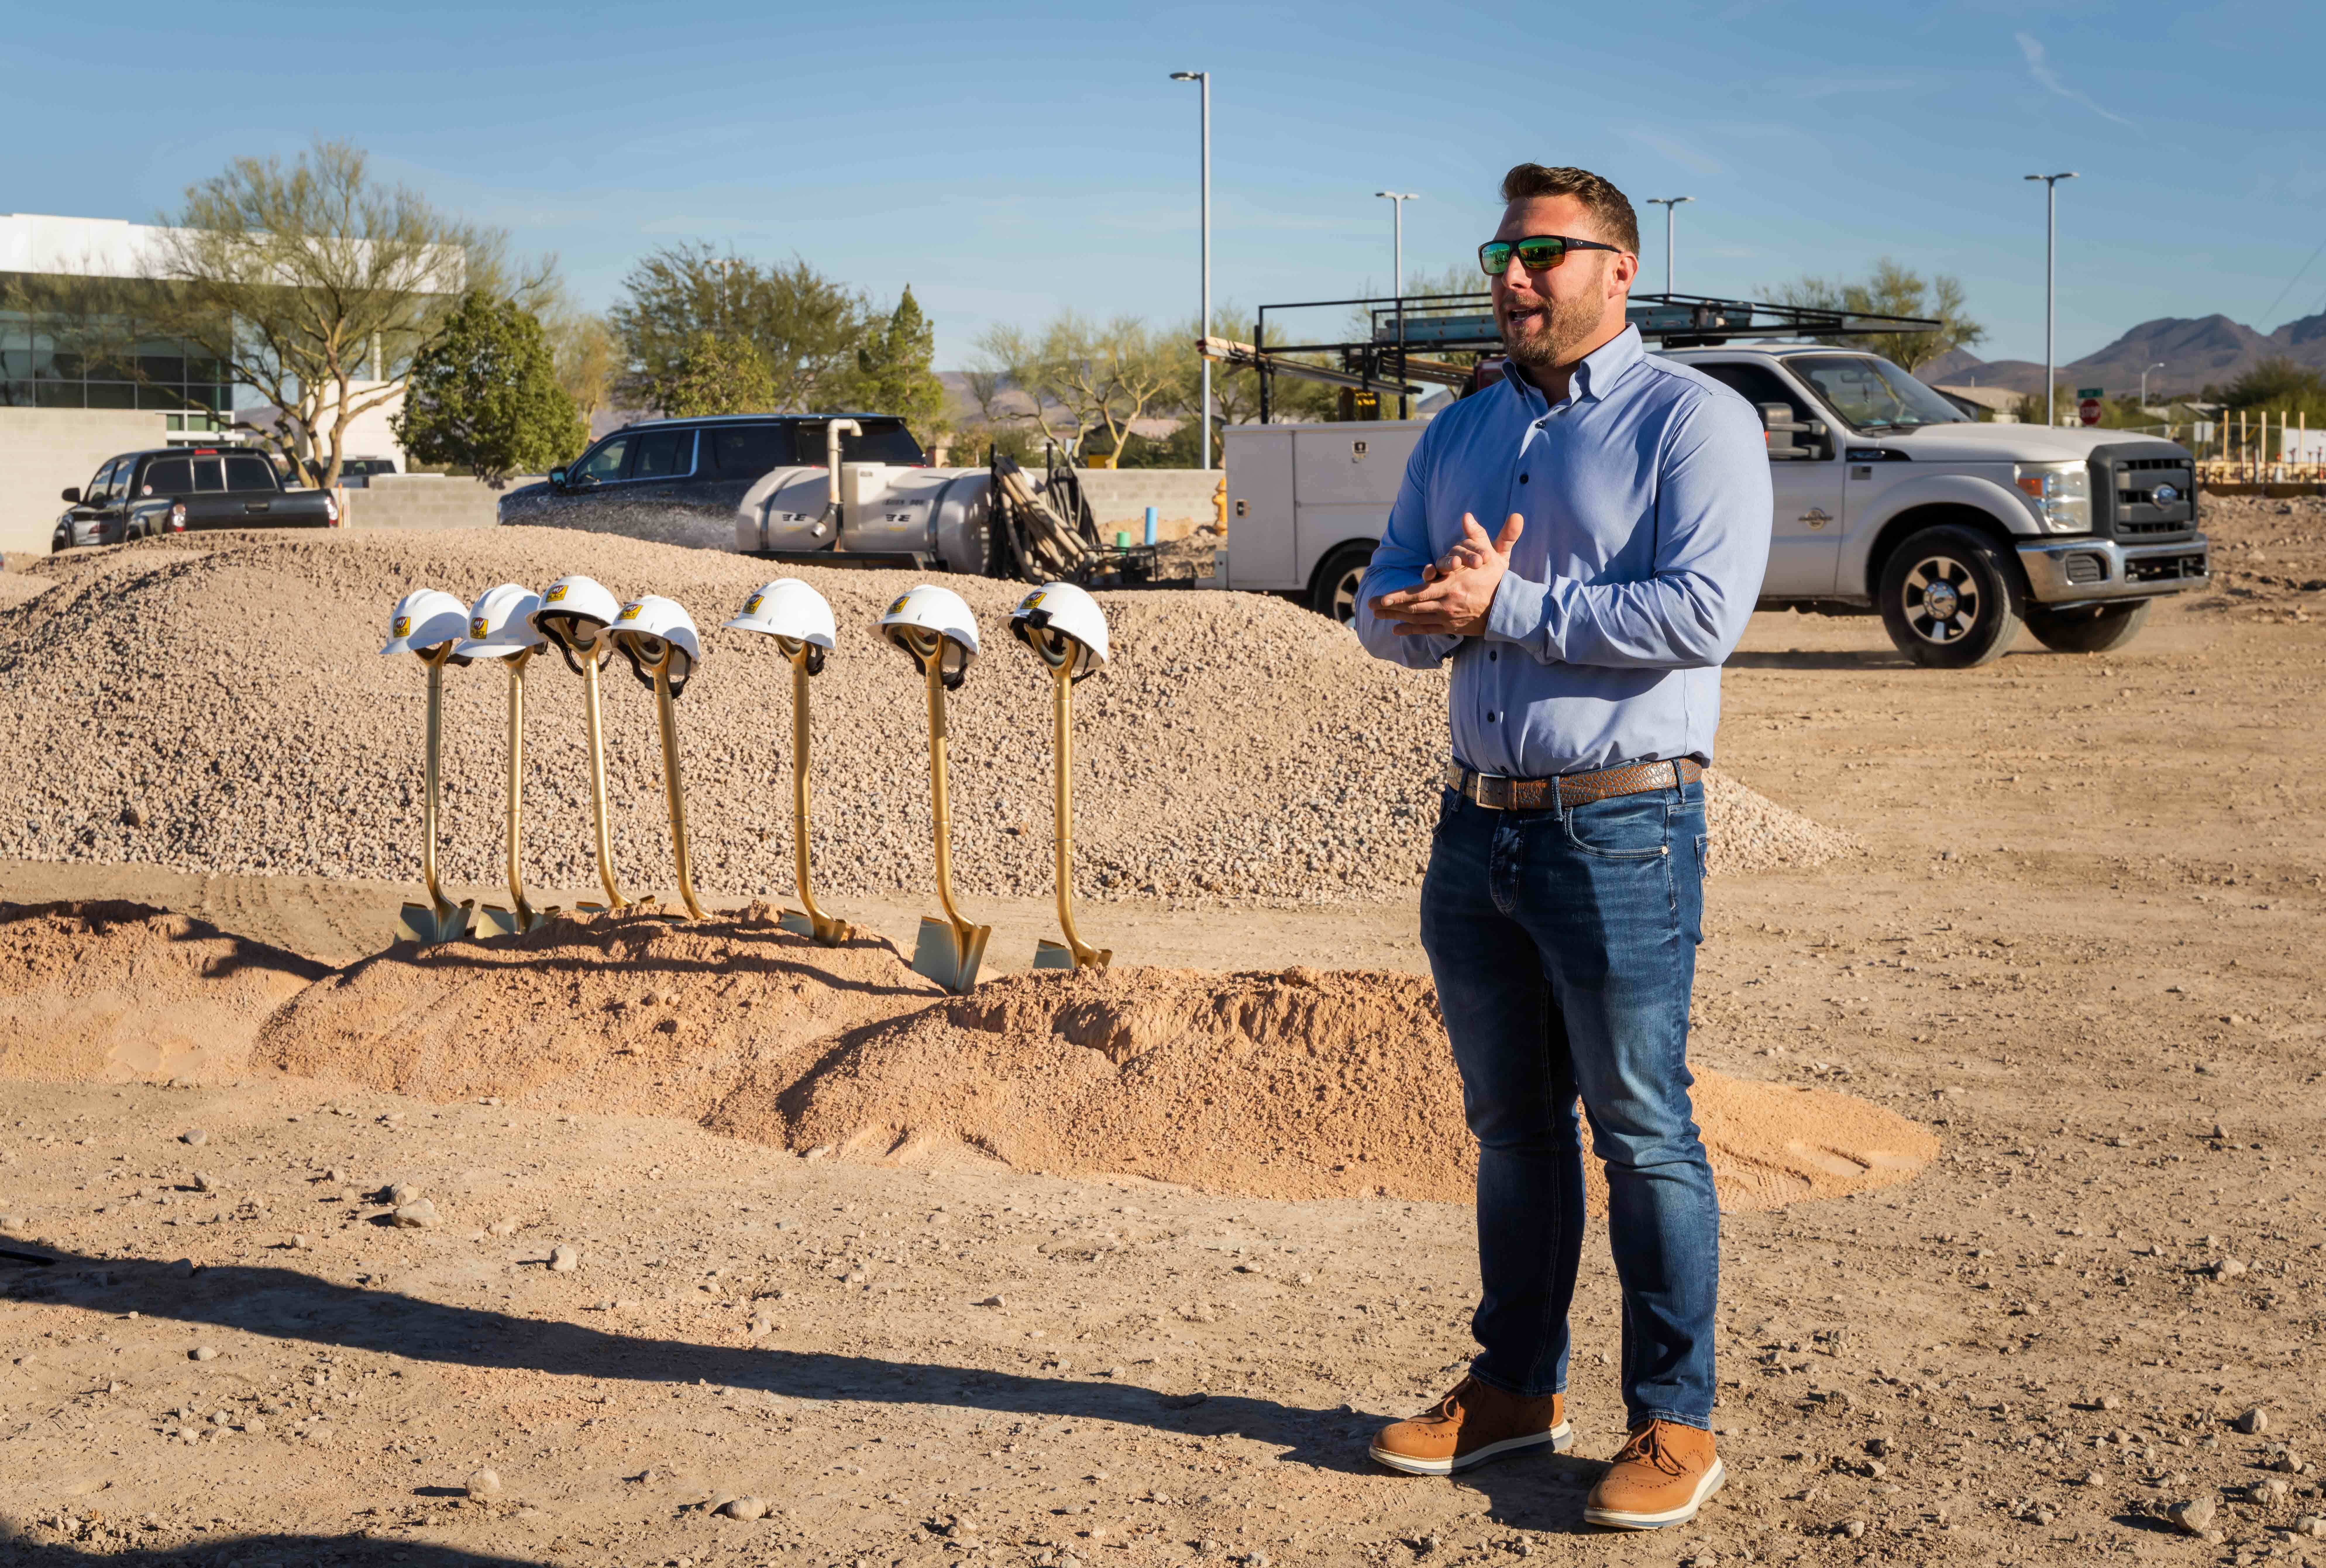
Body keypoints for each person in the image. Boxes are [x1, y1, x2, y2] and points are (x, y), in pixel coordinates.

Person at [1353, 164, 1771, 1531]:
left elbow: (1700, 613)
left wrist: (1506, 604)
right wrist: (1414, 608)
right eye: (1501, 251)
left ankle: (1675, 1416)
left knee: (1641, 1128)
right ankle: (1512, 1389)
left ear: (1618, 269)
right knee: (1507, 1128)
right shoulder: (1460, 428)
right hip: (1474, 822)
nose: (1512, 276)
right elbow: (1377, 595)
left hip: (1622, 821)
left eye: (1543, 253)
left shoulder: (1692, 421)